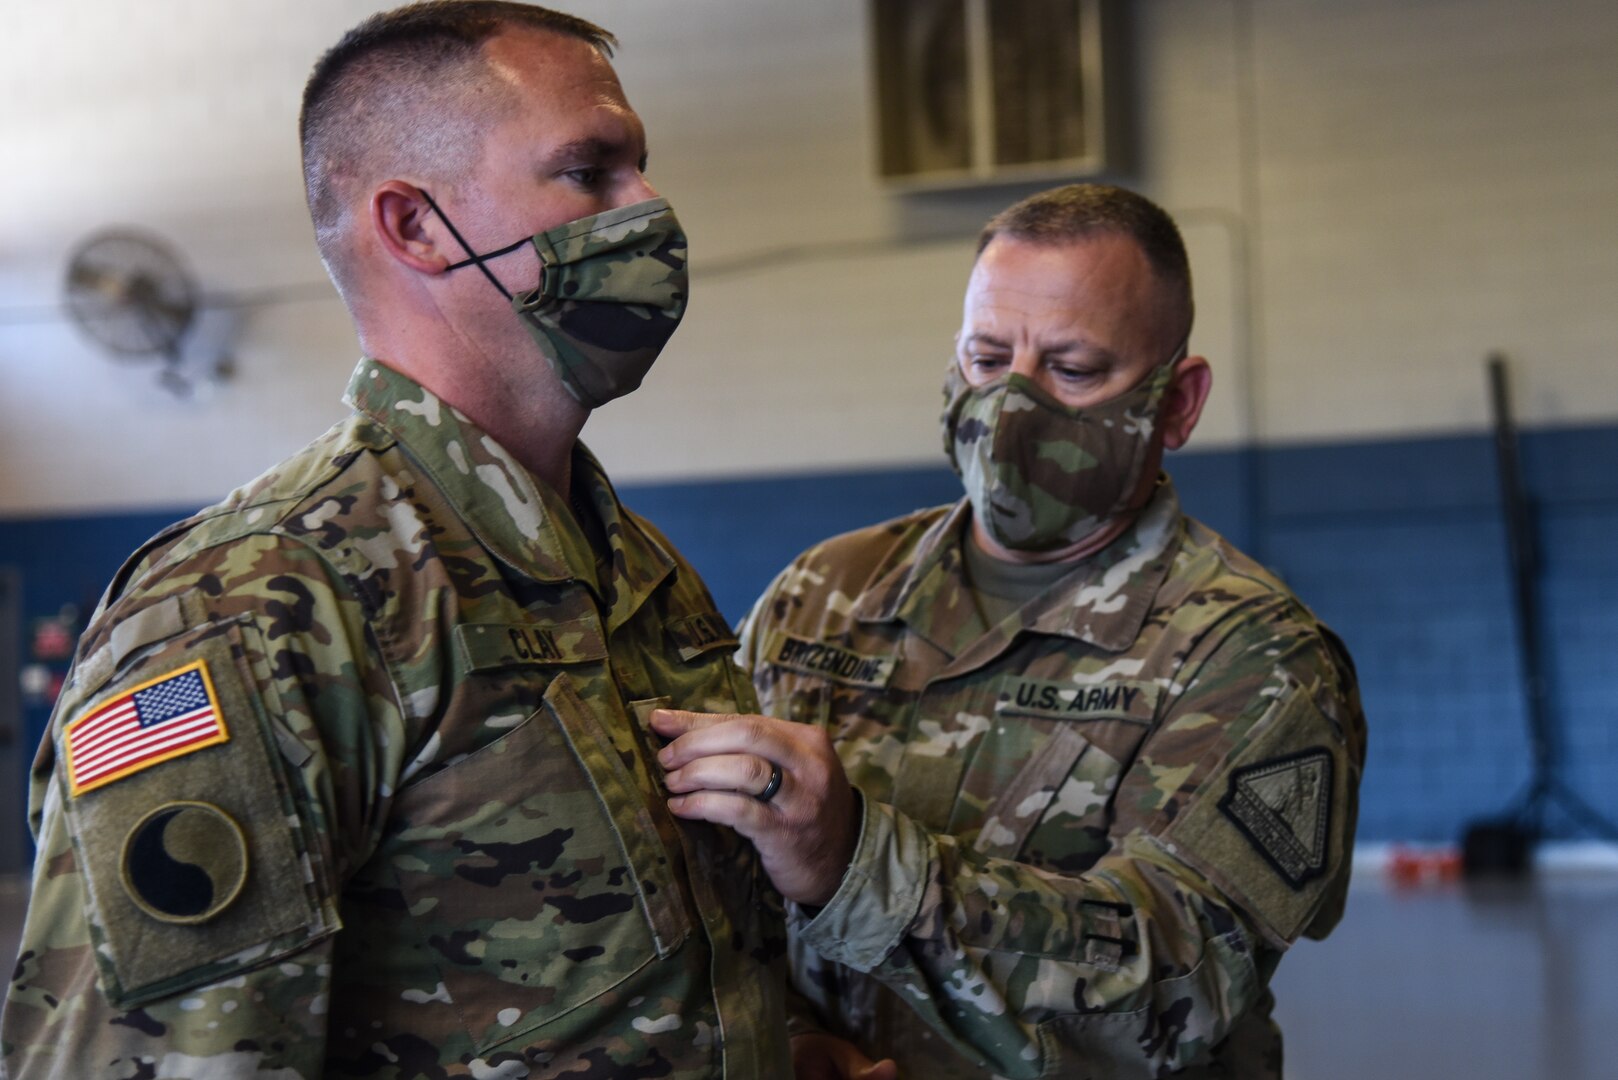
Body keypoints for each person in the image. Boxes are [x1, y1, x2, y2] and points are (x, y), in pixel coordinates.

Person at [1, 3, 789, 1077]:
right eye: (588, 171)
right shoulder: (259, 603)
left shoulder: (632, 568)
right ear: (415, 226)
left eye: (640, 168)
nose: (647, 207)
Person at [651, 183, 1367, 1078]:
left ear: (1176, 403)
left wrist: (855, 864)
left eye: (1072, 370)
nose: (1011, 409)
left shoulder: (1253, 657)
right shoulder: (823, 593)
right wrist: (791, 1039)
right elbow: (712, 886)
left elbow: (1176, 988)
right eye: (988, 359)